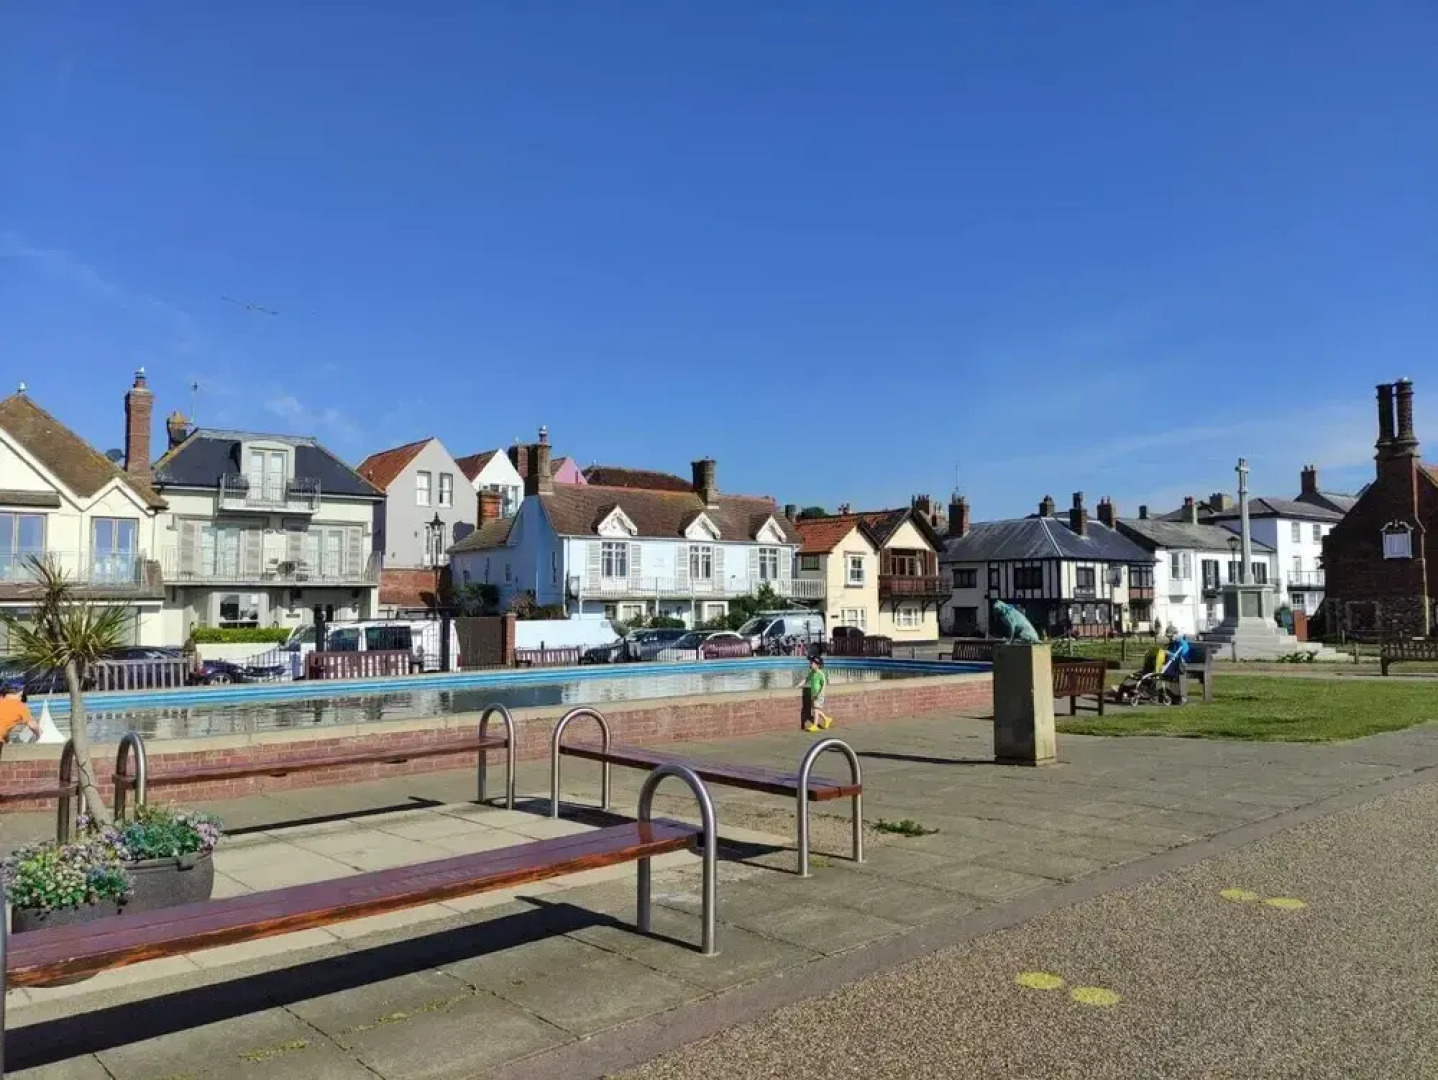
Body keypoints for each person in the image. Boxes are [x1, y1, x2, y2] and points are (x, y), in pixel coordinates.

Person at [801, 656, 832, 733]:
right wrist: (799, 685)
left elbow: (823, 684)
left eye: (812, 663)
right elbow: (806, 679)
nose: (810, 664)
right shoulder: (812, 673)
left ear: (817, 665)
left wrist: (818, 694)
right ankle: (827, 719)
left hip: (819, 695)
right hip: (814, 694)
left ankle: (815, 726)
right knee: (817, 710)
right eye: (810, 663)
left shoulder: (820, 674)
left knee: (815, 710)